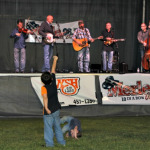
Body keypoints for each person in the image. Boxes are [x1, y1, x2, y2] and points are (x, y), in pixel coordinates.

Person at [41, 56, 66, 147]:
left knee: (48, 128)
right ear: (51, 79)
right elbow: (53, 70)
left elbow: (45, 98)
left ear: (42, 81)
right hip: (56, 109)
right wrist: (55, 60)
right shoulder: (54, 82)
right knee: (57, 127)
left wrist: (46, 108)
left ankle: (50, 144)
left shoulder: (44, 88)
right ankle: (62, 142)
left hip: (49, 111)